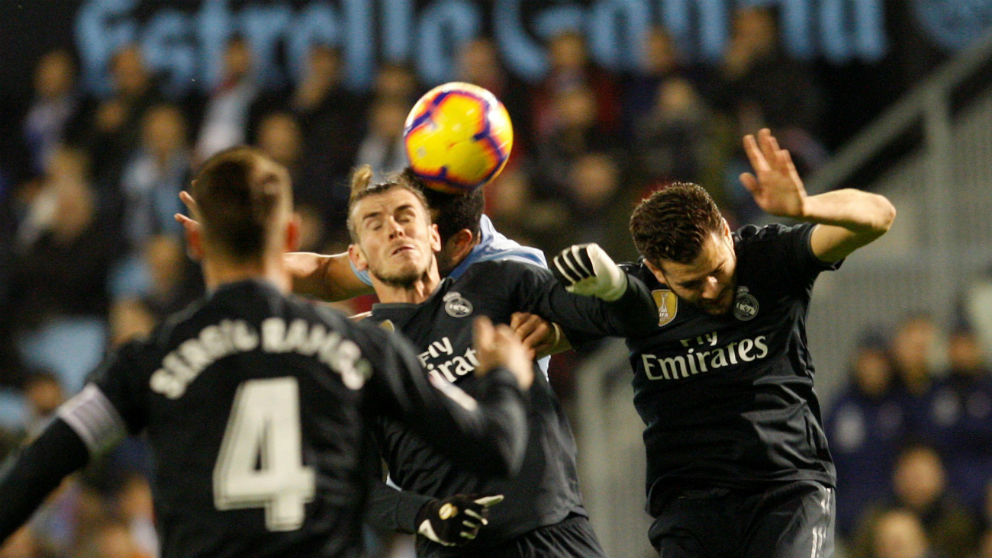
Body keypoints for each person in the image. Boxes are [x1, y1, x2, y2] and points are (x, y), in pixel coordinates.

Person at [0, 146, 535, 558]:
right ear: (291, 234)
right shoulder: (361, 344)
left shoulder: (151, 359)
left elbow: (39, 465)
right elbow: (495, 449)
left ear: (196, 244)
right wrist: (505, 376)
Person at [612, 128, 896, 557]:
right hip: (690, 503)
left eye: (717, 269)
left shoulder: (772, 259)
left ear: (726, 233)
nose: (710, 288)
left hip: (786, 490)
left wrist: (806, 207)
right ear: (656, 270)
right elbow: (548, 333)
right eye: (691, 283)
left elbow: (879, 214)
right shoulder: (634, 297)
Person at [345, 170, 658, 557]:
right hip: (455, 548)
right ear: (358, 257)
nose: (395, 229)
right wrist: (423, 514)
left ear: (434, 235)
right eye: (375, 224)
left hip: (554, 533)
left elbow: (635, 319)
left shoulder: (500, 280)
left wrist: (617, 289)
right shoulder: (358, 353)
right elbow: (353, 482)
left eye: (406, 216)